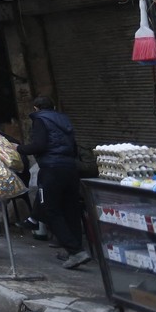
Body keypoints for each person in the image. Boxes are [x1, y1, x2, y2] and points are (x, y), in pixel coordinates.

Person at [18, 95, 90, 268]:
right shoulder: (64, 120)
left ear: (36, 108)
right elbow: (73, 147)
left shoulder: (40, 120)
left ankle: (75, 251)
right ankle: (75, 248)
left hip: (52, 169)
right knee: (70, 209)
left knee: (51, 209)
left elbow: (40, 145)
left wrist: (19, 148)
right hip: (70, 168)